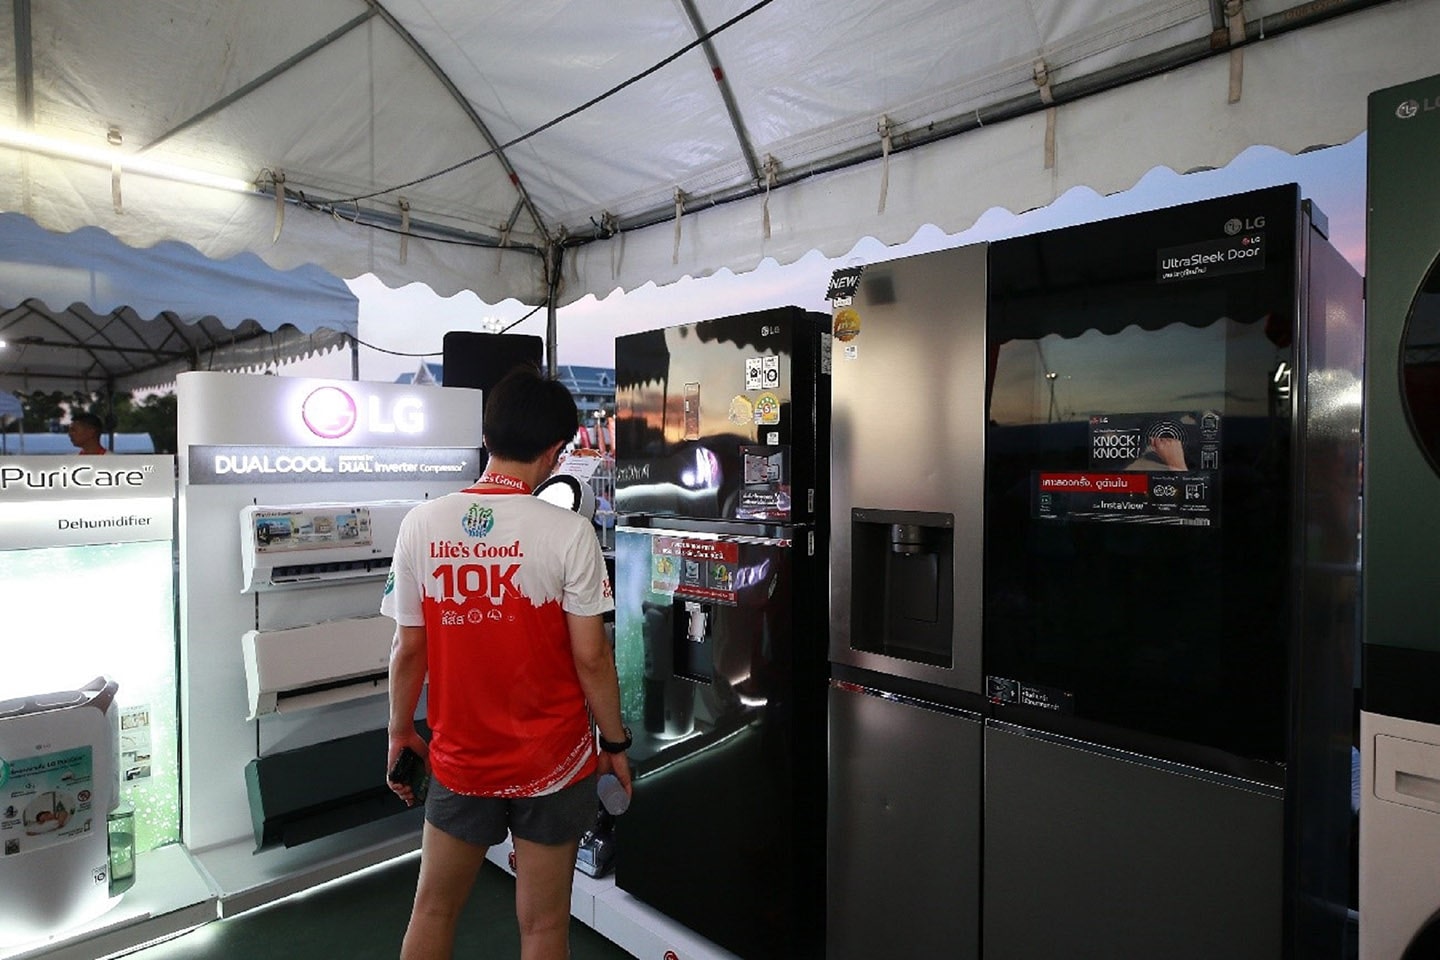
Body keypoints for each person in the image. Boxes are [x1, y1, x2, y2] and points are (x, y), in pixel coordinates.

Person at [382, 366, 631, 960]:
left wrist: (399, 731)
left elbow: (409, 647)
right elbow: (592, 656)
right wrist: (615, 744)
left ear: (486, 437)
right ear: (555, 451)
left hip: (461, 757)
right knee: (543, 927)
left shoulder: (422, 524)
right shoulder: (570, 532)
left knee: (433, 910)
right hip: (555, 760)